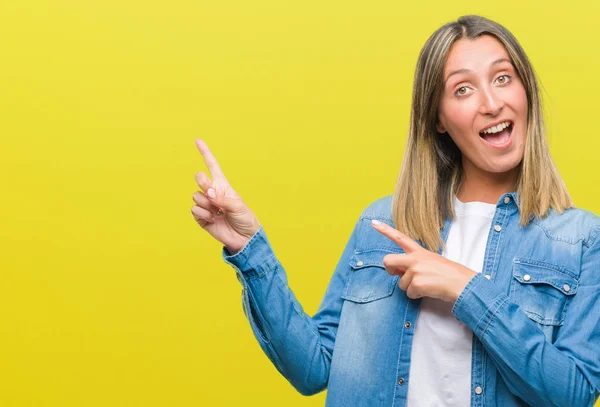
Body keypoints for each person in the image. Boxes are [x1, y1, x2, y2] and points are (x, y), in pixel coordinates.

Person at [191, 15, 600, 407]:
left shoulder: (579, 241)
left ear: (525, 91)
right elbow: (312, 369)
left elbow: (573, 394)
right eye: (462, 89)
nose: (491, 103)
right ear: (438, 118)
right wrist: (249, 249)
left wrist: (466, 290)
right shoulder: (381, 225)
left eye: (502, 78)